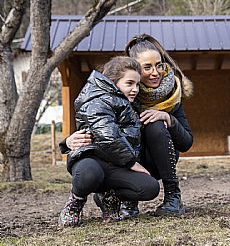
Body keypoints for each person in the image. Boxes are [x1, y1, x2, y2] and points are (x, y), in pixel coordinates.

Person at [65, 34, 193, 218]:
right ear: (132, 68)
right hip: (122, 160)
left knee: (155, 124)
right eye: (147, 67)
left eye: (159, 65)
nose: (155, 72)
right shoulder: (120, 93)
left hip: (153, 161)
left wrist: (168, 118)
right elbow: (99, 124)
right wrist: (68, 140)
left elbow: (187, 142)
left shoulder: (170, 97)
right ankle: (122, 199)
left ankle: (173, 196)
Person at [58, 56, 160, 227]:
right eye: (129, 83)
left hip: (115, 162)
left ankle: (108, 195)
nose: (135, 89)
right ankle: (75, 202)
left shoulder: (129, 102)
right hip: (90, 158)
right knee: (90, 174)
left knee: (149, 187)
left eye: (137, 84)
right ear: (113, 82)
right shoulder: (97, 98)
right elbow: (107, 135)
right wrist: (131, 163)